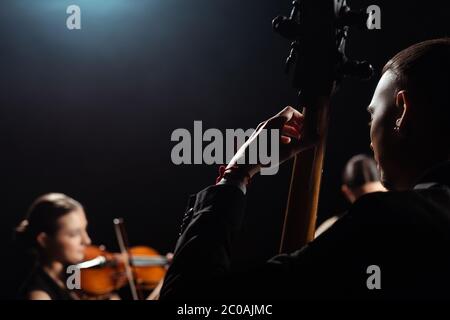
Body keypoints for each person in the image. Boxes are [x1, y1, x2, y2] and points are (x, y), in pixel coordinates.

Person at [160, 38, 450, 300]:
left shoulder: (386, 224)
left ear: (402, 110)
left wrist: (237, 173)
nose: (370, 138)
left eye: (373, 115)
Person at [15, 193, 91, 300]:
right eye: (74, 234)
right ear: (44, 240)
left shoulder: (71, 273)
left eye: (84, 229)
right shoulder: (39, 296)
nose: (87, 240)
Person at [315, 154, 386, 237]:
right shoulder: (330, 229)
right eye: (363, 201)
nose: (372, 207)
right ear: (347, 192)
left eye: (379, 196)